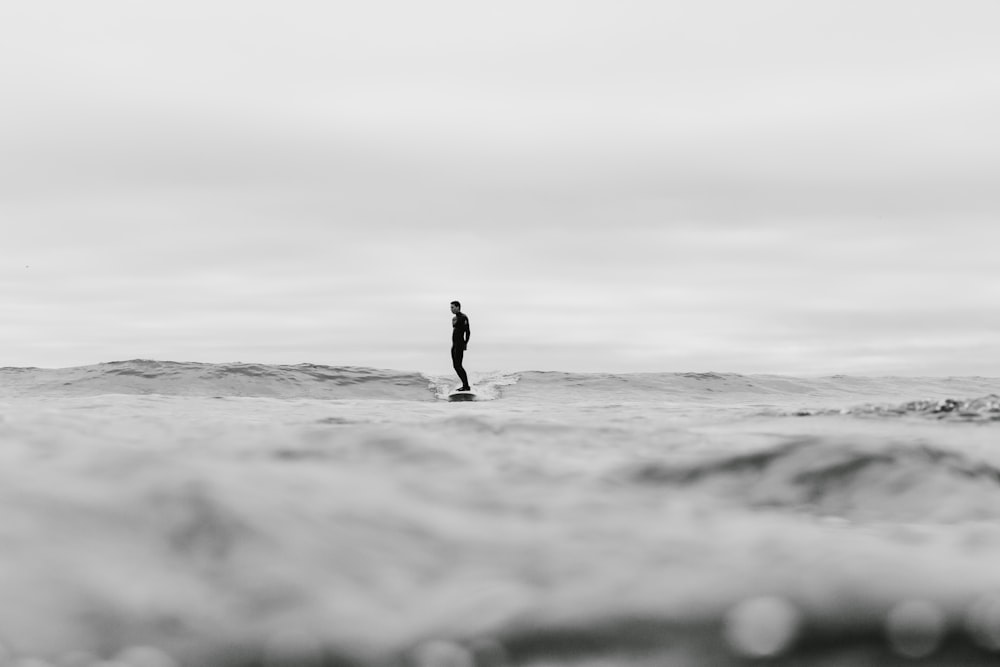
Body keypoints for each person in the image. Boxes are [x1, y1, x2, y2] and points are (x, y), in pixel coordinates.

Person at [450, 300, 471, 390]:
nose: (451, 309)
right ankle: (465, 385)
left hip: (459, 344)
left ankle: (466, 386)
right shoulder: (454, 318)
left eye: (452, 307)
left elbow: (468, 331)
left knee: (459, 365)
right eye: (450, 307)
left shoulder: (463, 317)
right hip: (454, 345)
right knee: (455, 366)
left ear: (458, 307)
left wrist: (465, 343)